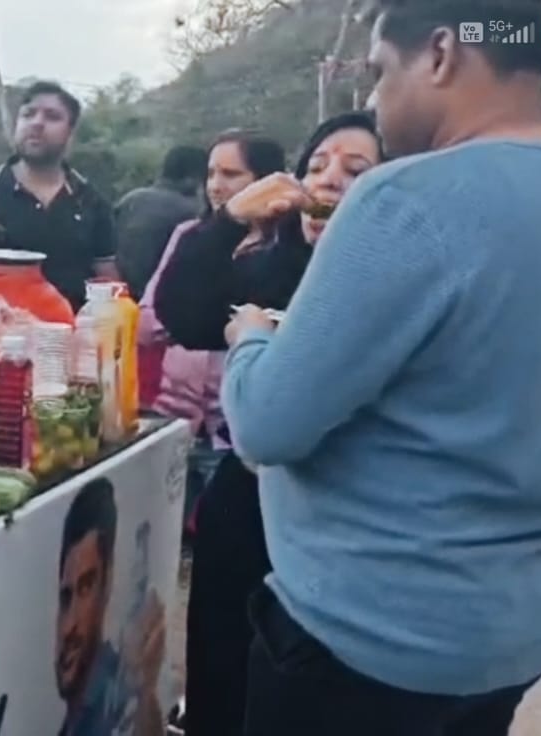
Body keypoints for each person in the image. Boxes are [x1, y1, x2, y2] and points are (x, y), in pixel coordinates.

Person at [220, 1, 541, 734]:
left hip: (365, 638)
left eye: (378, 72)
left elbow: (268, 425)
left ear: (440, 54)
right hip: (510, 639)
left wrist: (251, 339)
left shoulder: (407, 201)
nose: (372, 100)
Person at [154, 112, 383, 736]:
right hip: (247, 505)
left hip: (336, 527)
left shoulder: (399, 289)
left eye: (356, 171)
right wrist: (230, 219)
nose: (327, 181)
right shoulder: (269, 269)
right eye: (316, 166)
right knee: (221, 678)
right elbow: (183, 313)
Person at [136, 130, 286, 535]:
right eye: (211, 173)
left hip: (232, 428)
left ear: (266, 179)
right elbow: (149, 319)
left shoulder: (284, 249)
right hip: (174, 416)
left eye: (231, 174)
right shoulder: (191, 237)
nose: (216, 185)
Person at [0, 81, 120, 311]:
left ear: (70, 132)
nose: (37, 123)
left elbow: (109, 284)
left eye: (52, 117)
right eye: (28, 114)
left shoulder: (91, 203)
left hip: (68, 330)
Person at [55, 478, 164, 736]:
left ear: (107, 584)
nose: (69, 626)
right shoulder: (75, 716)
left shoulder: (119, 691)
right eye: (66, 598)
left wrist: (145, 693)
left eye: (85, 589)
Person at [113, 144, 204, 296]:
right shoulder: (193, 211)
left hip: (120, 295)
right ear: (194, 178)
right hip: (161, 298)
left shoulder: (130, 200)